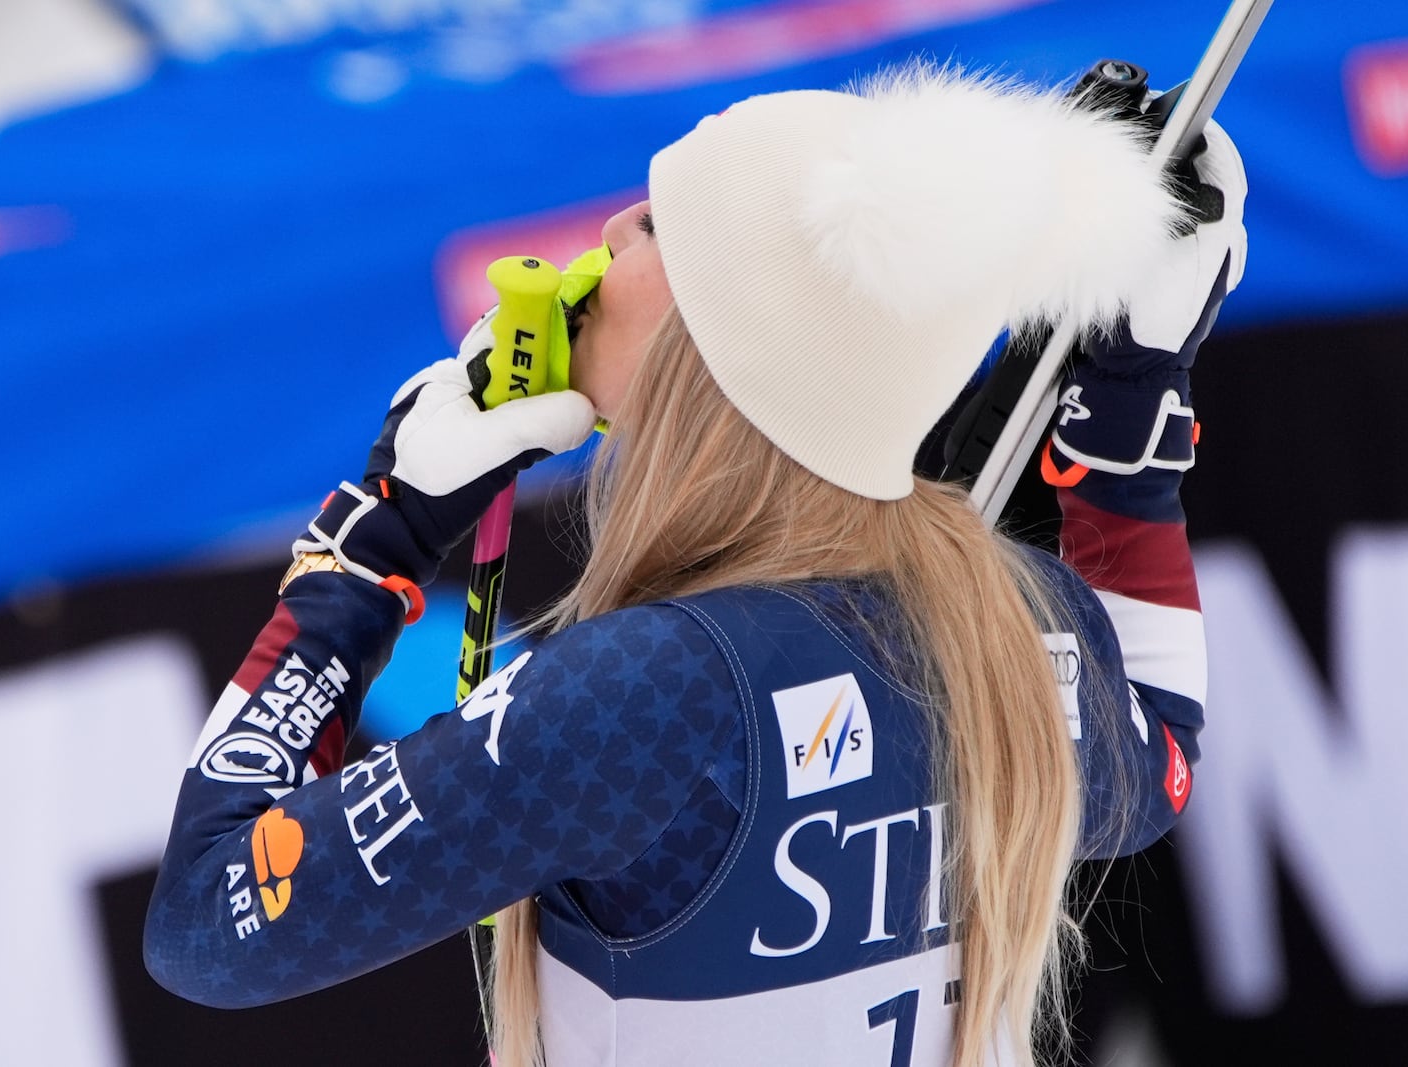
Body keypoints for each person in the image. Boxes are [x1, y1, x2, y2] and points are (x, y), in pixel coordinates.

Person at [145, 63, 1246, 1067]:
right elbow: (1158, 757)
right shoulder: (1004, 614)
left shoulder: (653, 691)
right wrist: (1135, 400)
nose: (617, 225)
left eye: (664, 223)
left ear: (717, 357)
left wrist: (375, 541)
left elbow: (209, 918)